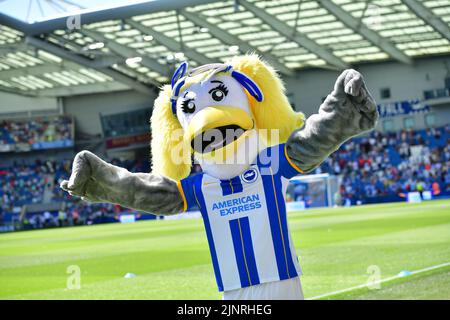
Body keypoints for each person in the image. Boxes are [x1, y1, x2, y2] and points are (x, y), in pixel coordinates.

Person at [61, 54, 378, 300]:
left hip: (281, 281)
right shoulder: (200, 187)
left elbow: (310, 142)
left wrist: (344, 112)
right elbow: (145, 191)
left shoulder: (269, 164)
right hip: (232, 289)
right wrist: (100, 179)